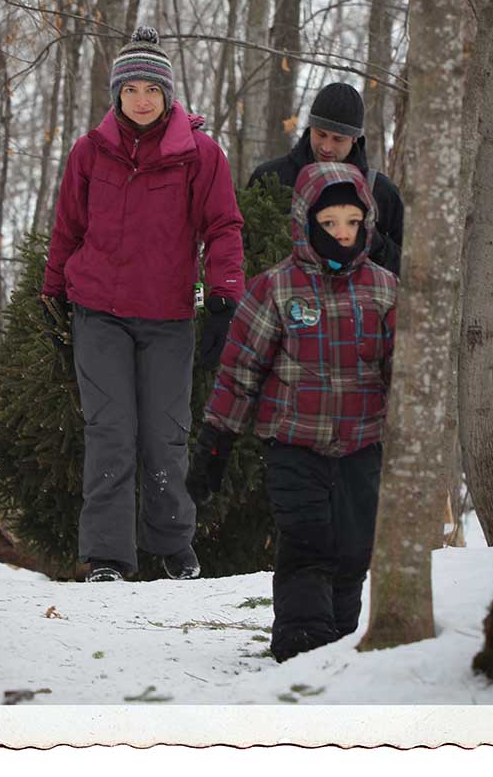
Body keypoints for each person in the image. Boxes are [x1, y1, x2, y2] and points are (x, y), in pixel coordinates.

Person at [41, 26, 245, 583]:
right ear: (117, 95)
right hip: (99, 313)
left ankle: (174, 547)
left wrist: (225, 295)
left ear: (169, 95)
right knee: (110, 430)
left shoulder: (200, 155)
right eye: (130, 89)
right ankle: (108, 556)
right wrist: (53, 290)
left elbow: (224, 225)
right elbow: (68, 227)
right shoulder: (90, 152)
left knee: (165, 433)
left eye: (151, 89)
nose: (141, 99)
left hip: (168, 318)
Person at [187, 162, 398, 662]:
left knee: (351, 549)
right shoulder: (276, 288)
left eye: (352, 221)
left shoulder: (384, 289)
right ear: (307, 222)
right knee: (308, 542)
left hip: (361, 444)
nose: (342, 233)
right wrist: (214, 444)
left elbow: (402, 373)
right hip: (293, 444)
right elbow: (241, 370)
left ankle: (341, 646)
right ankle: (301, 642)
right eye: (330, 223)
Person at [247, 81, 404, 275]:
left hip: (356, 302)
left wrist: (374, 242)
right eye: (320, 134)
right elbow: (240, 249)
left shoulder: (380, 192)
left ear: (355, 138)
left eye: (338, 139)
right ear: (310, 127)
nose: (326, 147)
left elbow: (406, 270)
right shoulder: (271, 177)